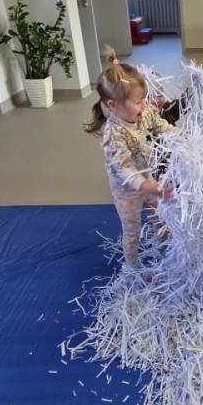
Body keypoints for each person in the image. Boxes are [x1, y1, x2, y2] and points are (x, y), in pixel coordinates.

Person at [84, 53, 174, 265]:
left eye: (143, 99)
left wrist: (179, 138)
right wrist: (147, 186)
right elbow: (124, 169)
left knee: (159, 215)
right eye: (137, 102)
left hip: (147, 176)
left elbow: (161, 125)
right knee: (132, 228)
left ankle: (163, 247)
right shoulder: (114, 134)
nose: (144, 105)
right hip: (126, 190)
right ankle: (132, 266)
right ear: (113, 105)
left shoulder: (143, 113)